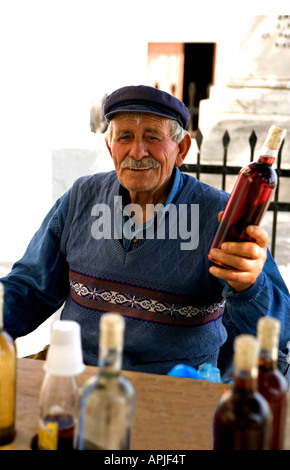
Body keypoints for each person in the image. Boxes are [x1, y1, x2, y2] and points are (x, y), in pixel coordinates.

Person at [1, 85, 290, 383]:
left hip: (177, 387)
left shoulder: (220, 213)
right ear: (110, 146)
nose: (137, 152)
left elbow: (278, 332)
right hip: (81, 374)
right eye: (125, 137)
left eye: (152, 137)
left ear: (182, 149)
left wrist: (249, 285)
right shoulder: (80, 198)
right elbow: (29, 290)